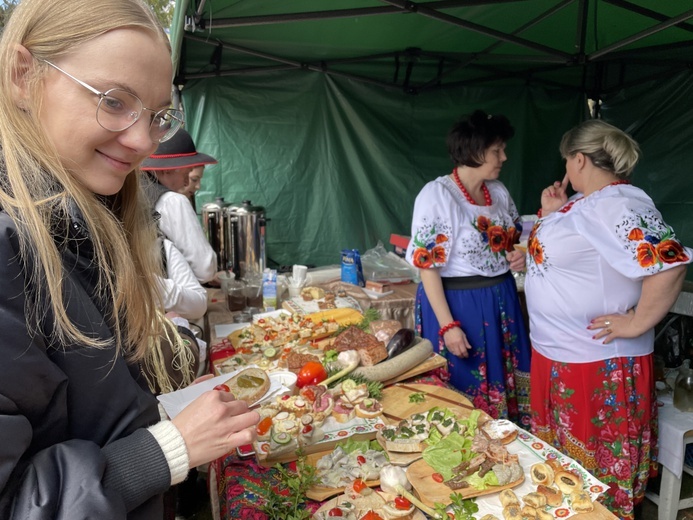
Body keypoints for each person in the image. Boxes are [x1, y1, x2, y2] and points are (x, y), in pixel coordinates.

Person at [0, 0, 259, 517]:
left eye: (158, 115)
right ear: (21, 75)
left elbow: (80, 407)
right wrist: (166, 450)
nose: (143, 140)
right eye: (114, 101)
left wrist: (171, 405)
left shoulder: (84, 221)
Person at [524, 119, 692, 520]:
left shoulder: (619, 202)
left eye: (567, 162)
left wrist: (636, 323)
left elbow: (669, 264)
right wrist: (550, 213)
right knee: (568, 472)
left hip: (595, 361)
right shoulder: (588, 203)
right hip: (562, 354)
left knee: (594, 475)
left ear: (578, 159)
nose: (565, 172)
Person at [406, 109, 531, 425]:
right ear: (474, 152)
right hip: (459, 305)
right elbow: (428, 267)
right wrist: (448, 326)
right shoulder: (438, 195)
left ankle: (506, 447)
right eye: (496, 150)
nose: (504, 157)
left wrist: (518, 254)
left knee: (505, 382)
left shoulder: (498, 192)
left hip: (501, 300)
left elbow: (512, 240)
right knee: (462, 392)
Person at [141, 129, 218, 284]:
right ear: (168, 169)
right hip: (171, 300)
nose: (185, 183)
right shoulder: (172, 201)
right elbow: (205, 269)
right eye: (186, 174)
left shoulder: (134, 192)